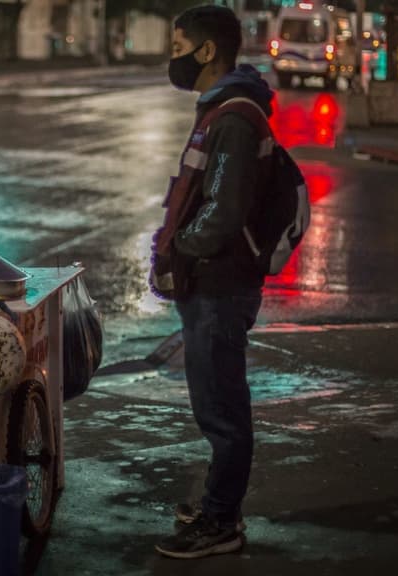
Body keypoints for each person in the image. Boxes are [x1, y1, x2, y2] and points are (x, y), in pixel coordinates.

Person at [151, 4, 275, 560]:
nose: (172, 57)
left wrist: (182, 251)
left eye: (178, 47)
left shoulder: (233, 116)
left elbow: (223, 210)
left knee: (223, 411)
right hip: (211, 282)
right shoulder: (220, 108)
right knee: (215, 404)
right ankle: (218, 507)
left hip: (221, 285)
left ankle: (221, 521)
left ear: (206, 51)